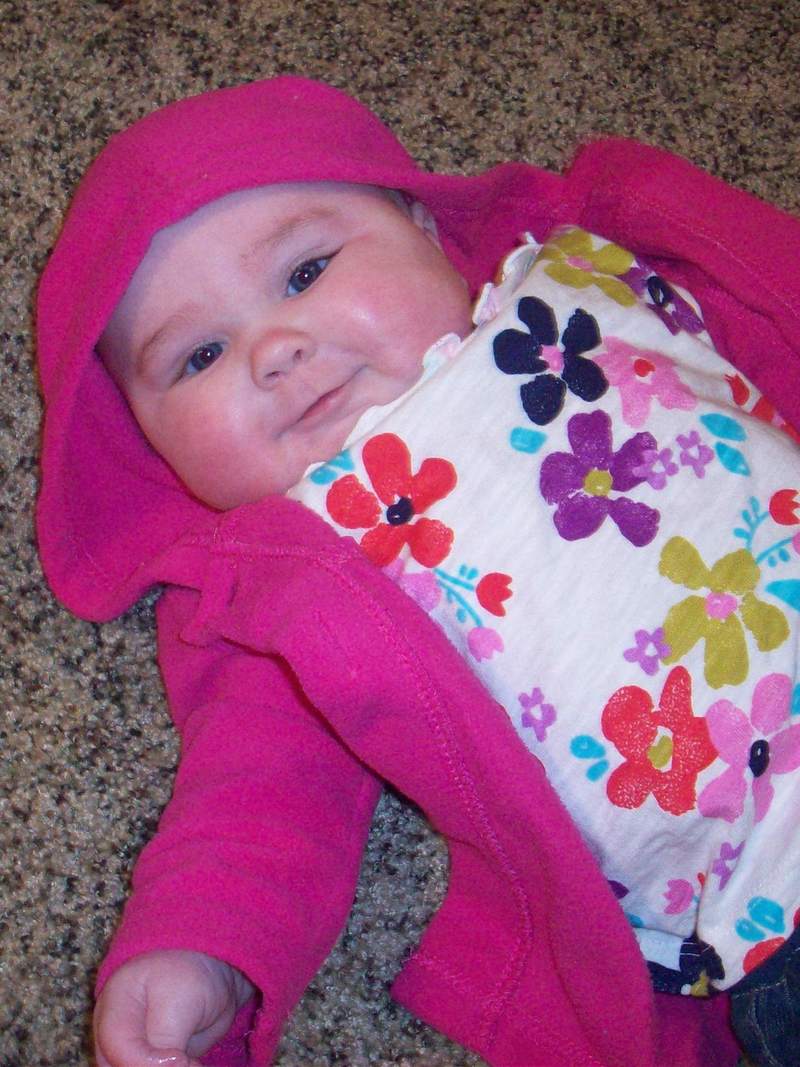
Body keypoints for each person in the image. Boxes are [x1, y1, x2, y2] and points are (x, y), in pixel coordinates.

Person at [35, 77, 800, 1067]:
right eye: (199, 355)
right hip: (769, 910)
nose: (274, 349)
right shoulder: (286, 572)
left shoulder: (588, 274)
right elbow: (259, 791)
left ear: (424, 227)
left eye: (306, 270)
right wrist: (201, 944)